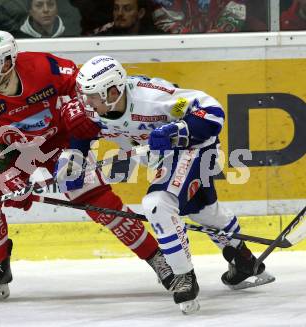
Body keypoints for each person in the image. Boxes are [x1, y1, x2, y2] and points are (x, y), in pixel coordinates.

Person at [0, 29, 167, 303]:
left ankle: (157, 257)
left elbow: (83, 86)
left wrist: (77, 116)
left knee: (96, 199)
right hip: (12, 148)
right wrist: (0, 176)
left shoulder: (43, 67)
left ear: (6, 62)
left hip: (59, 138)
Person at [59, 55, 275, 314]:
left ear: (113, 91)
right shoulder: (91, 111)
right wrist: (74, 161)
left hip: (195, 149)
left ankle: (184, 276)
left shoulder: (151, 99)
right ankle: (244, 261)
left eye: (92, 96)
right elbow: (80, 134)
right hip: (163, 160)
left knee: (158, 204)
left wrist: (177, 131)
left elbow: (213, 112)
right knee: (201, 211)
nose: (86, 103)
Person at [151, 0, 247, 33]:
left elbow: (234, 17)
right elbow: (167, 22)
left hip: (223, 50)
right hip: (178, 51)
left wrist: (218, 35)